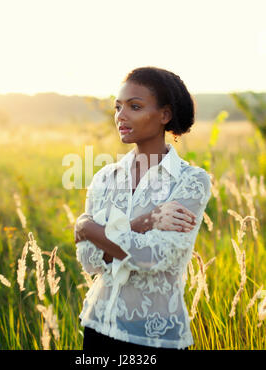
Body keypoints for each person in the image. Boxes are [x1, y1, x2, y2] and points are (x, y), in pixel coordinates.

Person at [74, 66, 212, 352]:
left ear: (165, 115)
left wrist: (88, 228)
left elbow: (152, 257)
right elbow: (89, 260)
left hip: (155, 337)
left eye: (134, 107)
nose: (121, 116)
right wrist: (144, 222)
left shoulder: (191, 181)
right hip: (98, 326)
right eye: (118, 107)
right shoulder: (104, 178)